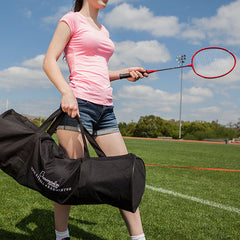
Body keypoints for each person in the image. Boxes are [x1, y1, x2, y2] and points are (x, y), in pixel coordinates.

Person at [43, 0, 148, 240]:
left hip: (105, 110)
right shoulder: (70, 20)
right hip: (78, 107)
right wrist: (66, 92)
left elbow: (99, 70)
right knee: (67, 179)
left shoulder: (103, 30)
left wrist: (124, 73)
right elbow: (49, 61)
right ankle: (62, 236)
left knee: (124, 176)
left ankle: (138, 238)